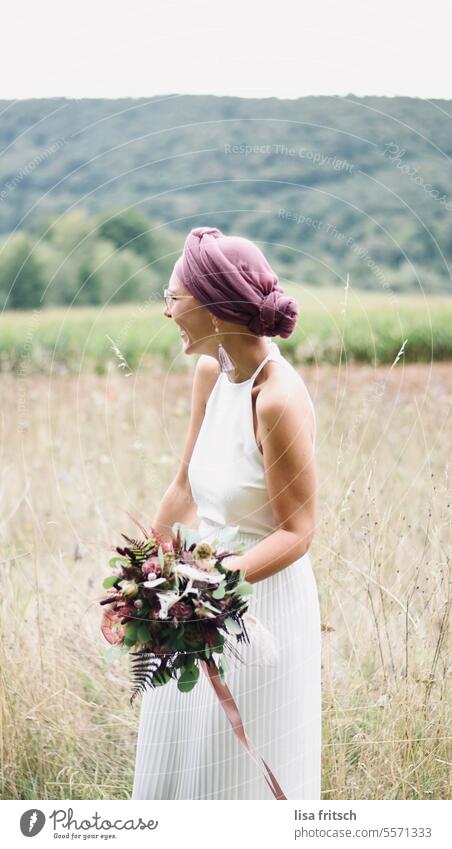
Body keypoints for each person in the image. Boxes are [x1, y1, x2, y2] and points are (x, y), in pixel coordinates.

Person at [127, 225, 321, 799]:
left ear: (213, 308)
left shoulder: (277, 398)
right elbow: (183, 487)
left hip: (260, 606)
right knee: (175, 754)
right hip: (193, 595)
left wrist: (212, 584)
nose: (167, 312)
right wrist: (143, 580)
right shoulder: (212, 370)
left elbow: (299, 530)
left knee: (235, 776)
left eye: (174, 298)